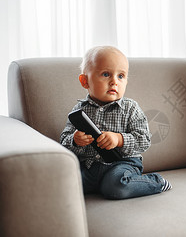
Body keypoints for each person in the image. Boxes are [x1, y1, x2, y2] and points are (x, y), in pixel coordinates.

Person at [60, 45, 171, 200]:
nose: (114, 82)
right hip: (90, 166)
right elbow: (63, 141)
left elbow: (144, 140)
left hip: (122, 164)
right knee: (63, 184)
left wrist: (119, 139)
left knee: (116, 186)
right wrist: (75, 140)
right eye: (106, 74)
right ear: (85, 81)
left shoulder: (130, 108)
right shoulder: (79, 110)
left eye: (121, 76)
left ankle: (156, 182)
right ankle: (100, 185)